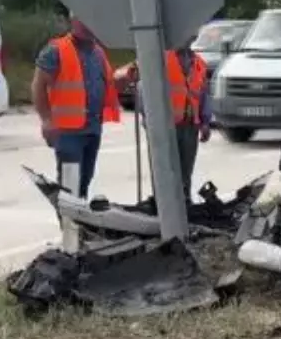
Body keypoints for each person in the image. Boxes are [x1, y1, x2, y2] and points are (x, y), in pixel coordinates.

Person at [31, 13, 122, 198]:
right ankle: (69, 226)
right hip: (68, 133)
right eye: (82, 19)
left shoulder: (98, 52)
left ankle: (79, 224)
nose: (88, 24)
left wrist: (126, 78)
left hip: (92, 129)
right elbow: (38, 85)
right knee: (70, 187)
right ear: (73, 21)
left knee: (84, 185)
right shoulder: (56, 50)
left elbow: (107, 86)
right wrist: (47, 120)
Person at [117, 41, 212, 201]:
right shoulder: (160, 58)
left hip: (189, 127)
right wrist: (151, 122)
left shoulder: (199, 63)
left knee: (185, 175)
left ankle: (185, 209)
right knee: (165, 176)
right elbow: (142, 89)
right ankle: (165, 211)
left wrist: (205, 122)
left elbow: (203, 94)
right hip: (165, 129)